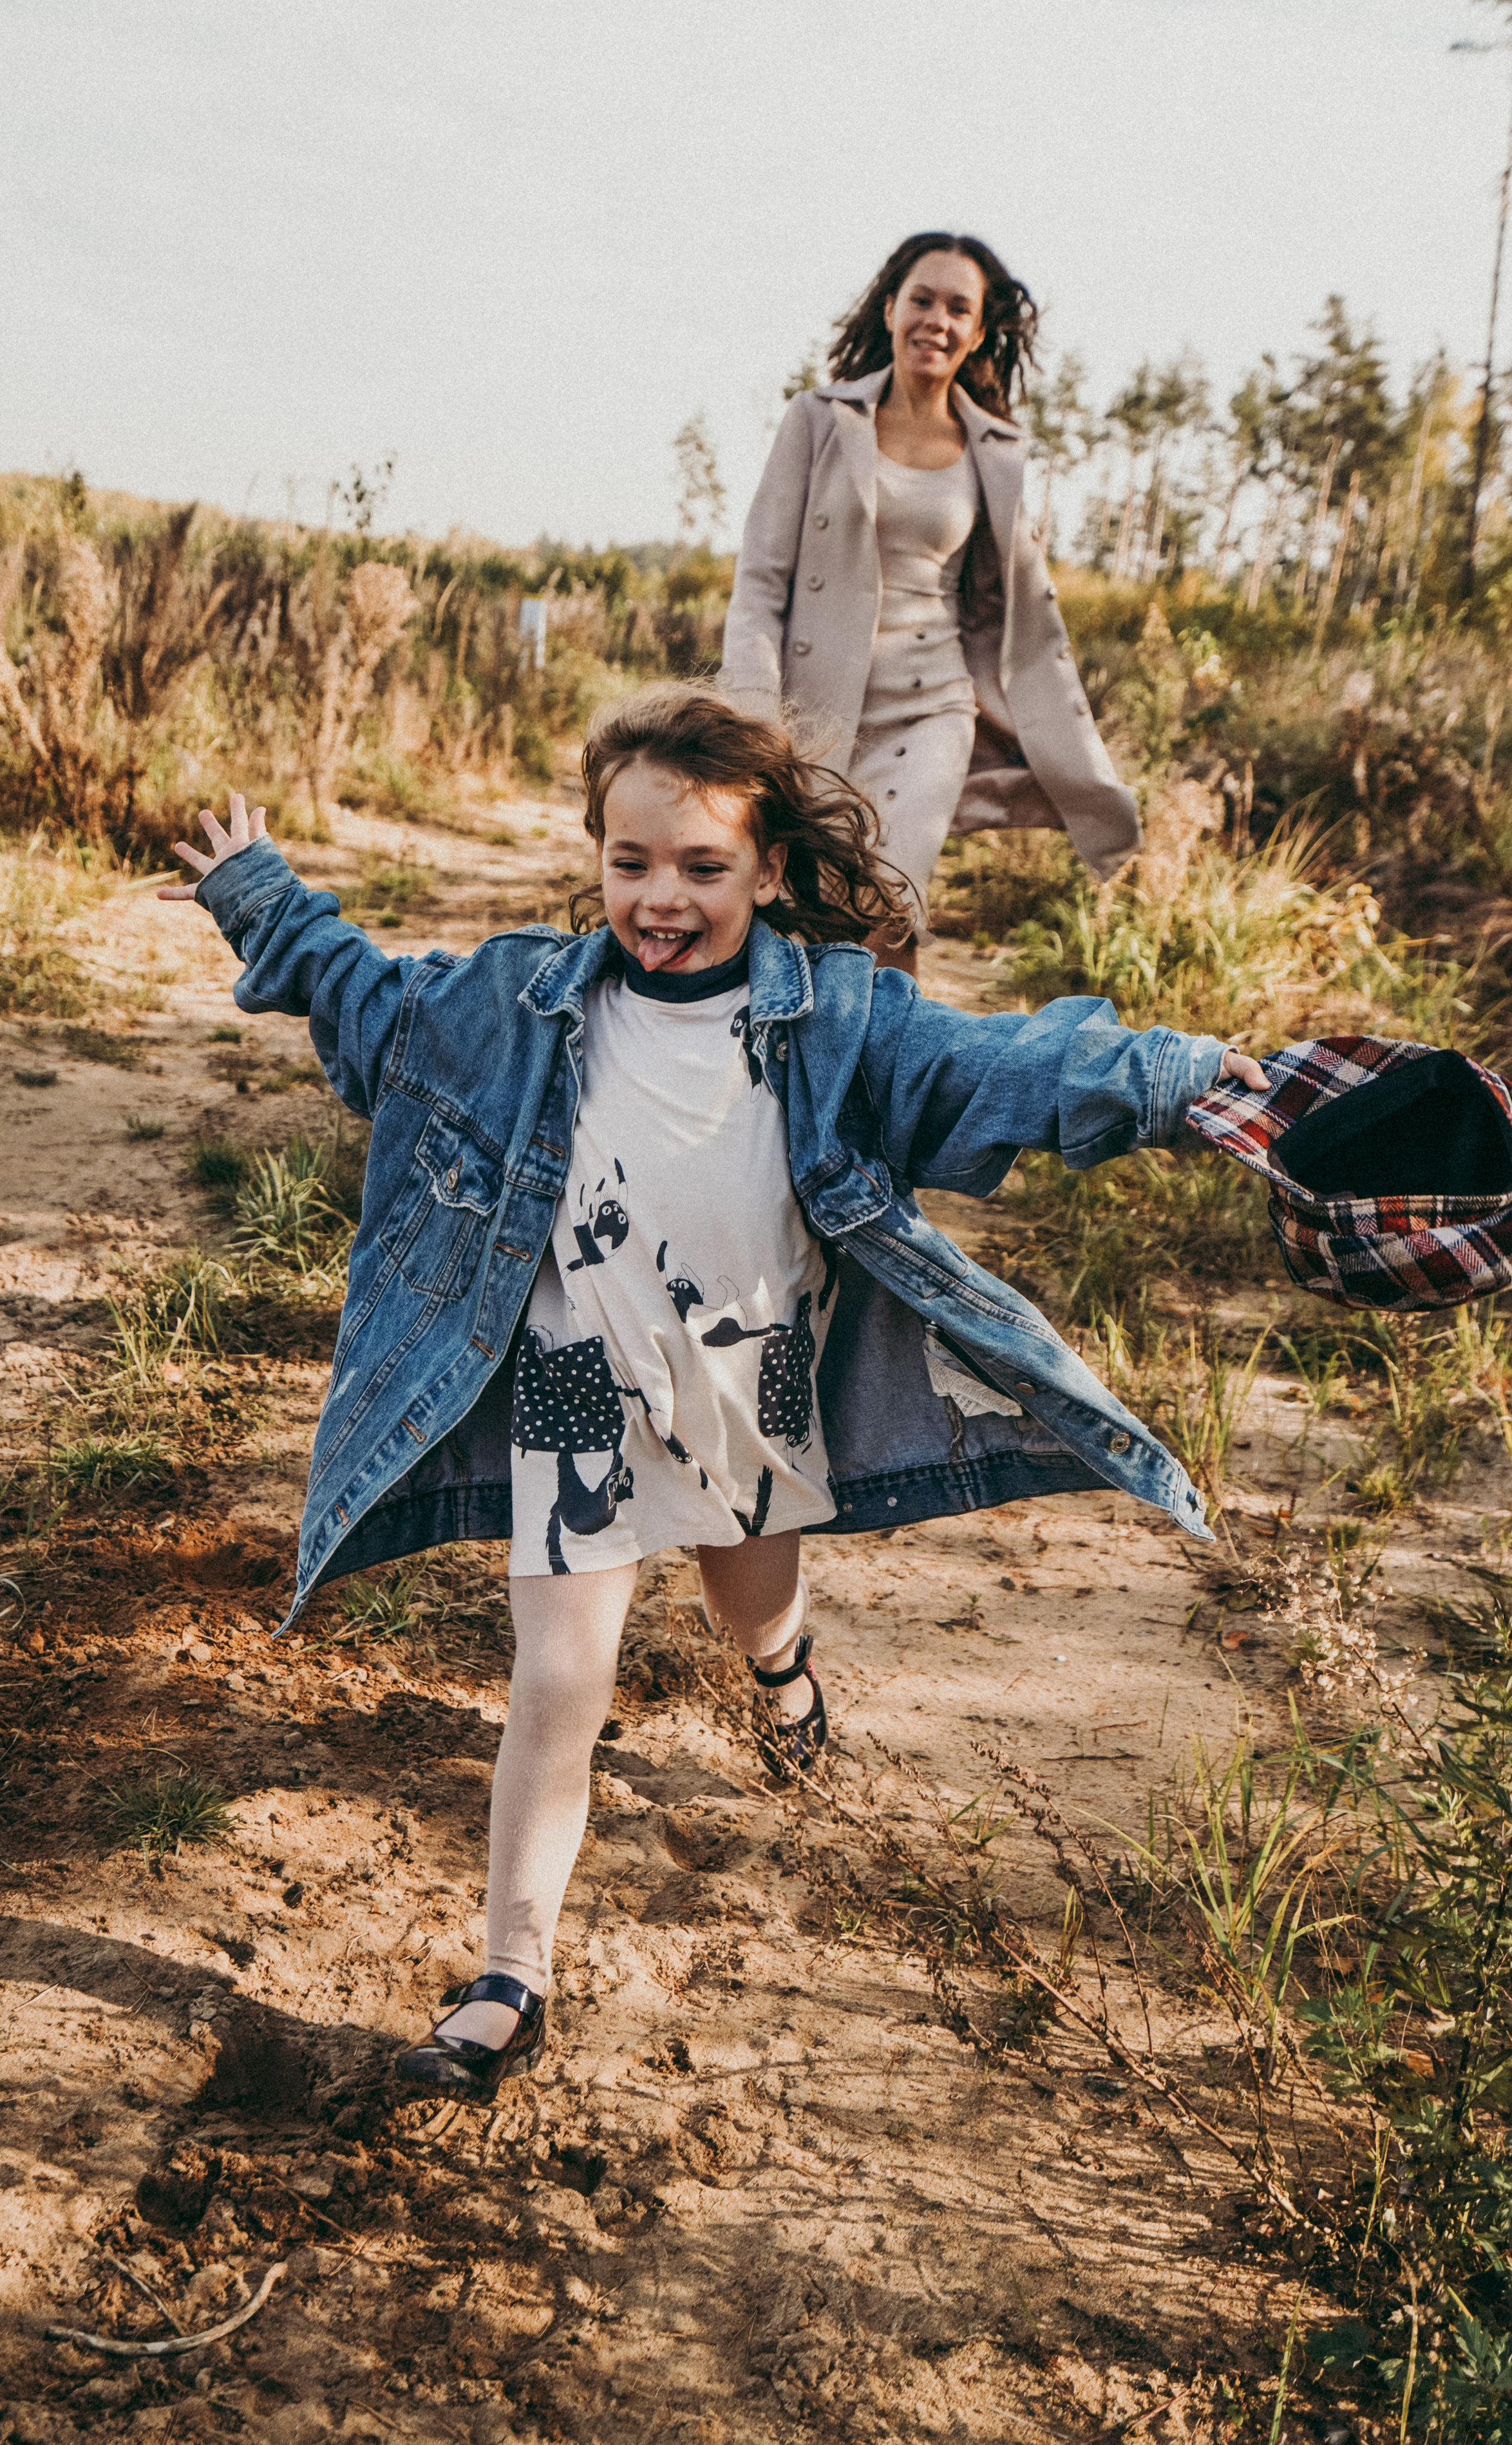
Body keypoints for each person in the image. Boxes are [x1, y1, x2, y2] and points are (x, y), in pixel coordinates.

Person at [161, 687, 1265, 2105]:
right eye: (630, 862)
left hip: (748, 1377)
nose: (661, 898)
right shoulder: (518, 1005)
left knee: (751, 1591)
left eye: (700, 866)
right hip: (574, 1379)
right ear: (596, 855)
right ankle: (510, 1975)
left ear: (766, 868)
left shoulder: (835, 1018)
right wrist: (260, 896)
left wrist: (1173, 1078)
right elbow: (373, 1004)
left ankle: (783, 1675)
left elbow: (998, 1062)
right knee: (558, 1678)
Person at [721, 230, 1140, 970]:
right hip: (815, 716)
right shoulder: (819, 420)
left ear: (977, 333)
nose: (936, 321)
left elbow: (1007, 609)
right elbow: (760, 583)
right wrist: (754, 721)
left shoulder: (995, 451)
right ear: (890, 309)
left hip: (932, 710)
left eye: (957, 308)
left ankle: (895, 1047)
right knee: (815, 911)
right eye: (921, 300)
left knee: (891, 902)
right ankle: (818, 1045)